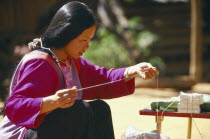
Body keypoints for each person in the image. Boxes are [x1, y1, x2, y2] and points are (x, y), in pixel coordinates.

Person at [0, 1, 159, 139]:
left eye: (89, 40)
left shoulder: (72, 62)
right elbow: (14, 106)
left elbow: (100, 78)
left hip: (50, 131)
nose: (87, 46)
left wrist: (133, 70)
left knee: (100, 109)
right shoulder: (41, 63)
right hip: (25, 133)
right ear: (66, 34)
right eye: (83, 40)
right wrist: (51, 102)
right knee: (78, 110)